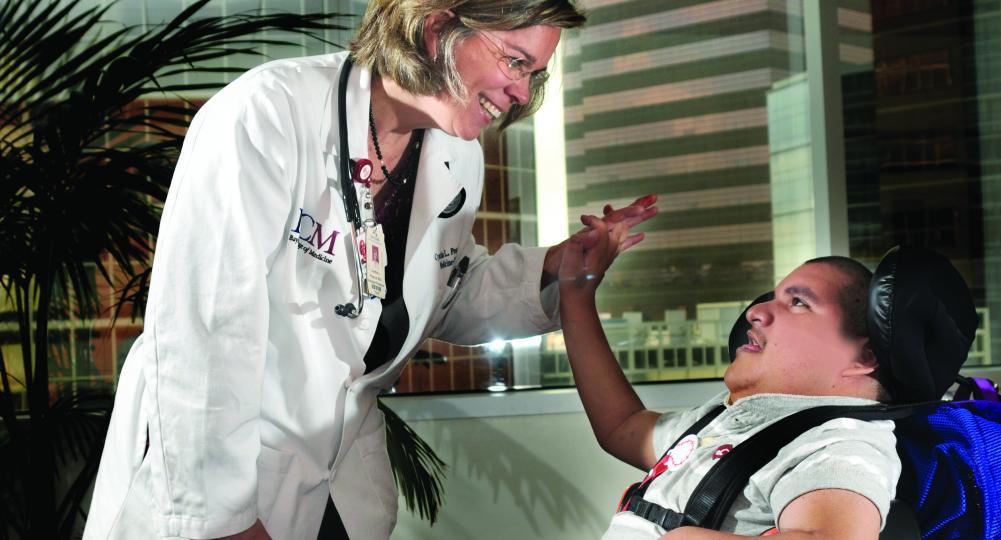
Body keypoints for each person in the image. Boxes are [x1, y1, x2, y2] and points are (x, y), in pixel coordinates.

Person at [84, 1, 658, 539]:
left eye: (535, 74)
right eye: (516, 61)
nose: (520, 92)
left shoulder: (458, 158)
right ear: (436, 28)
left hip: (336, 477)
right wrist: (226, 523)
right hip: (219, 474)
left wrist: (558, 267)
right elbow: (203, 335)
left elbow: (442, 293)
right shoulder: (268, 115)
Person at [557, 218, 900, 539]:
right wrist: (576, 295)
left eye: (797, 302)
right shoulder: (735, 418)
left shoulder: (839, 443)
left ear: (862, 358)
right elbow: (623, 426)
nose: (755, 312)